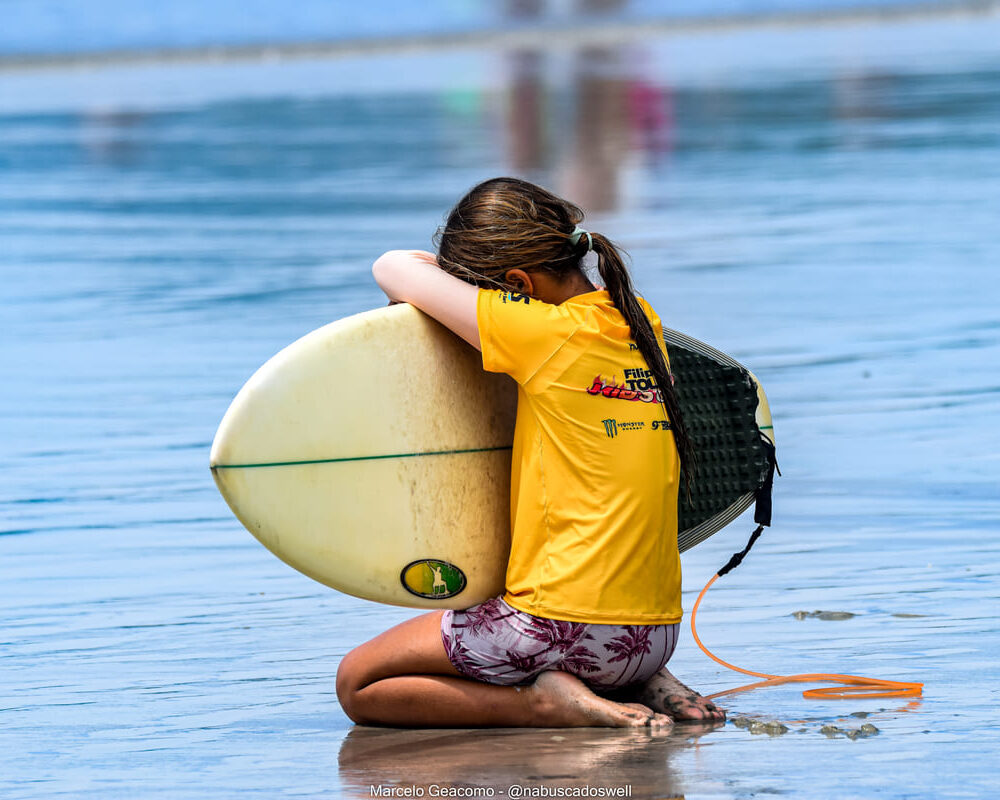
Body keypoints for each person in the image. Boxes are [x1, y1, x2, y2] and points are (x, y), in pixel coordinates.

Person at [336, 177, 725, 728]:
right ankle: (638, 682)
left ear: (518, 284)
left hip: (555, 626)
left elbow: (393, 266)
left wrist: (460, 291)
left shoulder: (540, 333)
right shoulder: (640, 321)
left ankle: (540, 703)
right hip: (650, 636)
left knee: (360, 682)